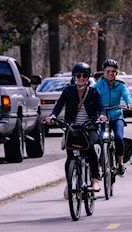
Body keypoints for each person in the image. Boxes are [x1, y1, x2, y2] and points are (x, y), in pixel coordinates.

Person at [46, 62, 107, 199]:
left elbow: (100, 106)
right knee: (70, 157)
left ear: (88, 77)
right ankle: (69, 183)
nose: (81, 78)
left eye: (84, 76)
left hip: (89, 126)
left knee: (90, 149)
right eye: (78, 76)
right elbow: (59, 105)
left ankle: (95, 180)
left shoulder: (93, 91)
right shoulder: (68, 91)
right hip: (72, 127)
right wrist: (53, 115)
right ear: (74, 77)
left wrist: (102, 115)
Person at [94, 59, 132, 177]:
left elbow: (127, 95)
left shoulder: (120, 85)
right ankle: (99, 165)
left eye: (113, 71)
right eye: (108, 71)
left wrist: (129, 103)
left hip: (117, 116)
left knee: (118, 138)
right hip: (103, 117)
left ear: (117, 72)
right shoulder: (98, 85)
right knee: (100, 139)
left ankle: (120, 163)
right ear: (103, 72)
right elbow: (91, 95)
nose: (110, 73)